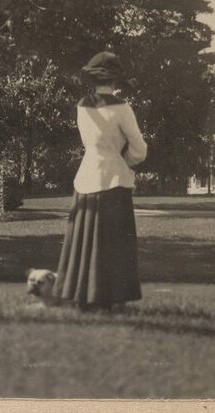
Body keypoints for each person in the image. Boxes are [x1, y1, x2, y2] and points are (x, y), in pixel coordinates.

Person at [52, 51, 147, 311]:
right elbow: (139, 149)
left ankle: (81, 296)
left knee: (84, 239)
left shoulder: (83, 106)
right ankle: (108, 298)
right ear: (115, 81)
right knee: (111, 242)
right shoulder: (122, 108)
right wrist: (124, 160)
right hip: (113, 178)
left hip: (87, 176)